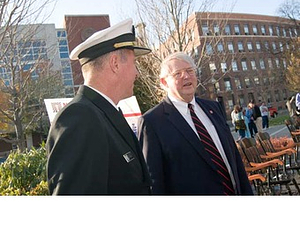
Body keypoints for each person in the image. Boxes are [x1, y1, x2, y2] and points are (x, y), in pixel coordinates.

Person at [46, 18, 152, 195]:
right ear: (115, 64)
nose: (137, 73)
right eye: (134, 64)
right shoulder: (80, 118)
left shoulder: (102, 113)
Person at [137, 52, 253, 195]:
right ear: (164, 82)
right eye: (177, 74)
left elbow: (234, 159)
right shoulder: (152, 122)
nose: (186, 76)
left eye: (189, 71)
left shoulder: (213, 108)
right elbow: (154, 182)